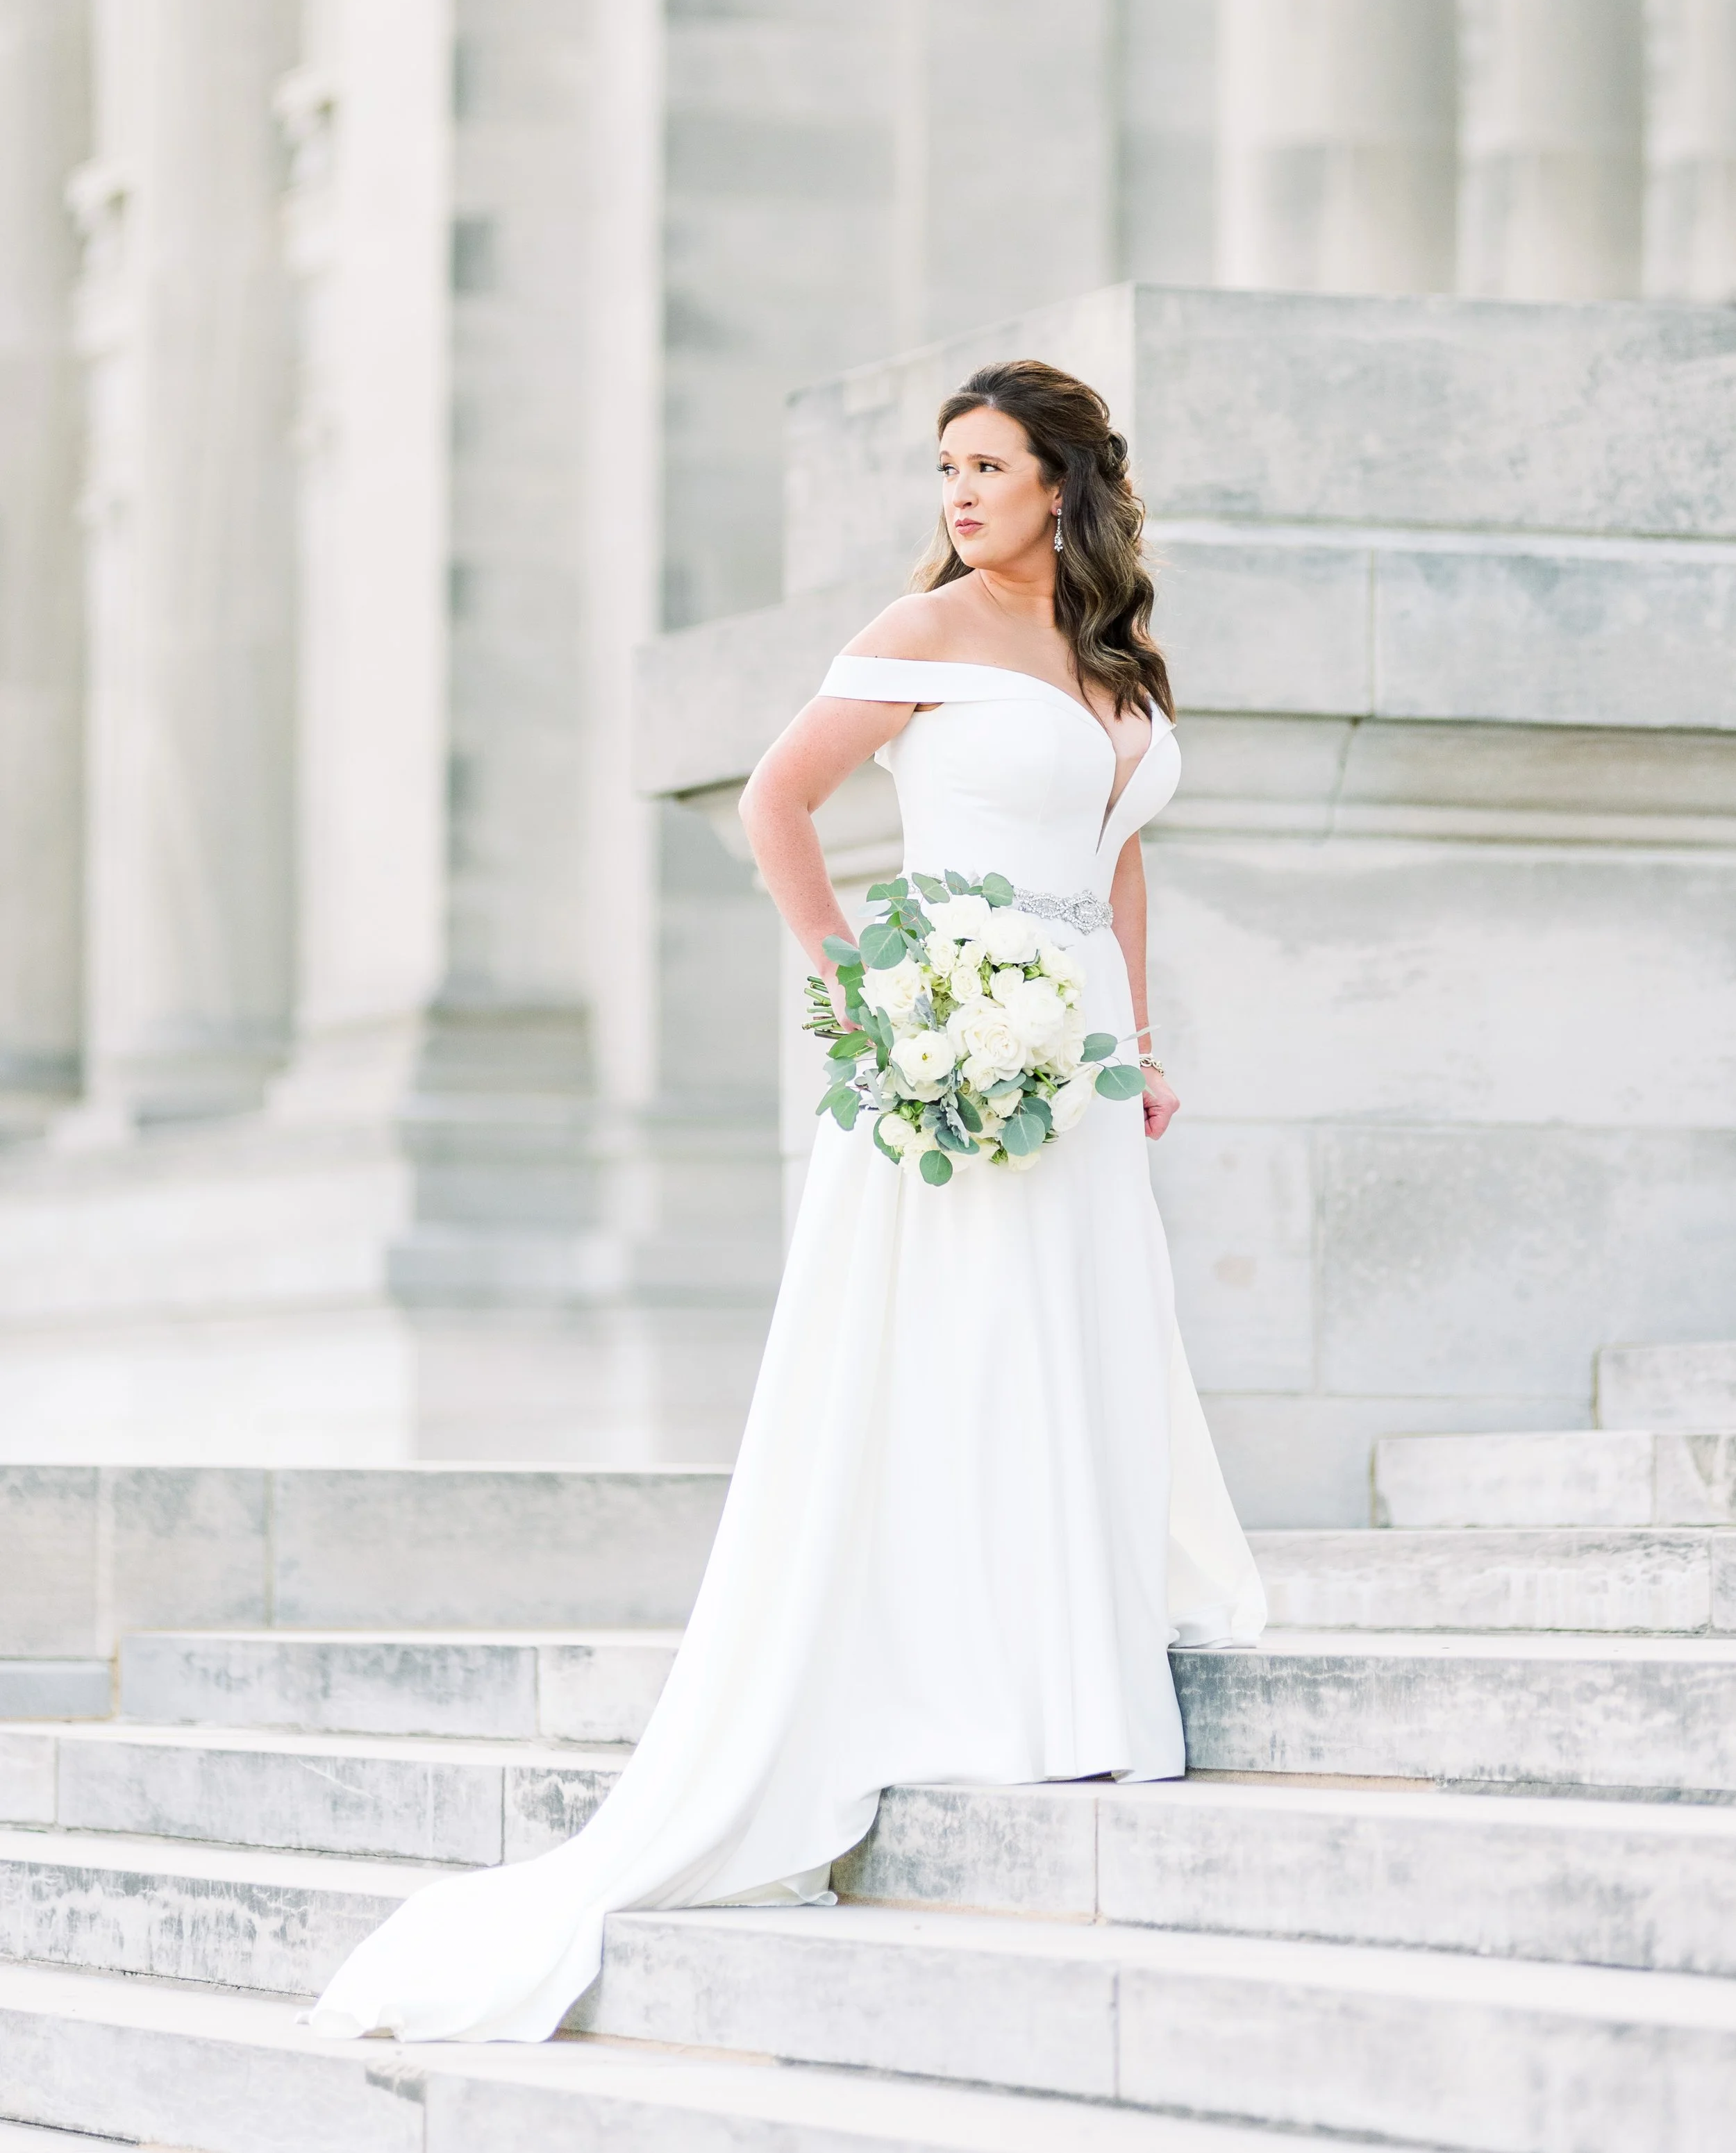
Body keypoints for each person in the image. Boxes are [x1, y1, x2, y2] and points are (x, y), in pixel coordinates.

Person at [305, 357, 1264, 2045]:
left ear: (1064, 484)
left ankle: (1074, 1676)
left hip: (1078, 1064)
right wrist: (864, 993)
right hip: (950, 1050)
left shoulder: (1111, 660)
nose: (959, 493)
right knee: (957, 1356)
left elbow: (1117, 848)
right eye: (945, 466)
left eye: (988, 467)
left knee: (1079, 1352)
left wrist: (1140, 1035)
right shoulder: (930, 631)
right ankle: (968, 1679)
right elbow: (776, 803)